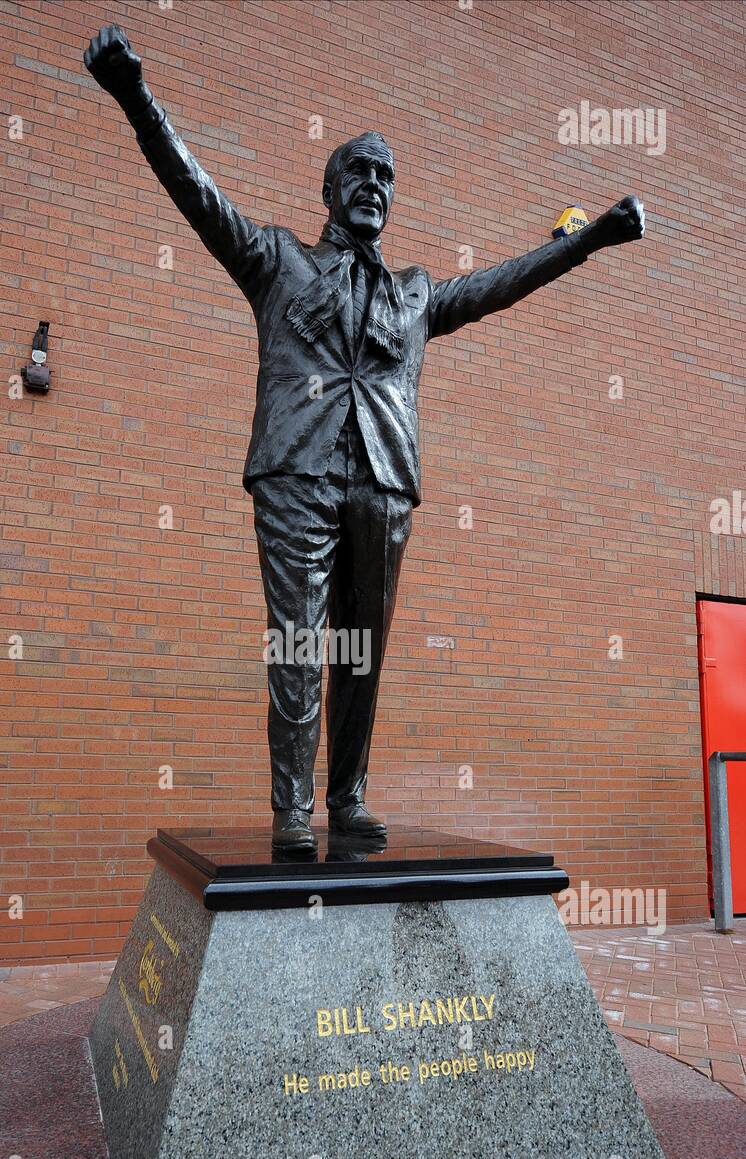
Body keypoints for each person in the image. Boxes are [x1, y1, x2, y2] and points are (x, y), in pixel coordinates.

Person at [83, 23, 645, 851]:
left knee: (363, 654)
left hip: (382, 483)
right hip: (296, 473)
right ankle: (290, 811)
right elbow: (195, 193)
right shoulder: (275, 260)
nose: (374, 184)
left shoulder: (416, 293)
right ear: (330, 187)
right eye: (359, 170)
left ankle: (346, 797)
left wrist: (590, 238)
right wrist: (134, 94)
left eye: (386, 175)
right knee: (302, 644)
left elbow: (498, 287)